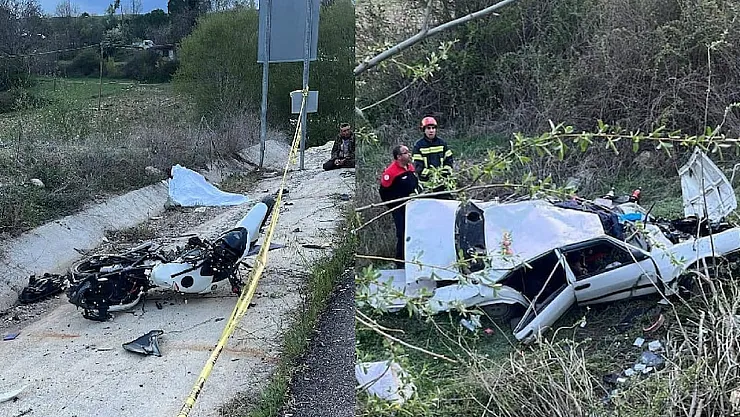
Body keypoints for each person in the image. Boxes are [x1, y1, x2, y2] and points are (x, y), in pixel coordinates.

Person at [379, 144, 419, 268]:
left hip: (412, 206)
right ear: (399, 157)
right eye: (406, 152)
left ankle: (414, 258)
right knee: (402, 233)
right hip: (399, 208)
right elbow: (383, 192)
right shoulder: (391, 172)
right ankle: (400, 261)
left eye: (408, 152)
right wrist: (393, 206)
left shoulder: (410, 167)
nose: (409, 154)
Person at [412, 116, 453, 194]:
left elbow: (449, 161)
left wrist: (444, 173)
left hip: (442, 184)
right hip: (426, 186)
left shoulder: (442, 143)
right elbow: (418, 167)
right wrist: (432, 175)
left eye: (433, 128)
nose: (431, 130)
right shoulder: (418, 146)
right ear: (424, 130)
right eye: (428, 128)